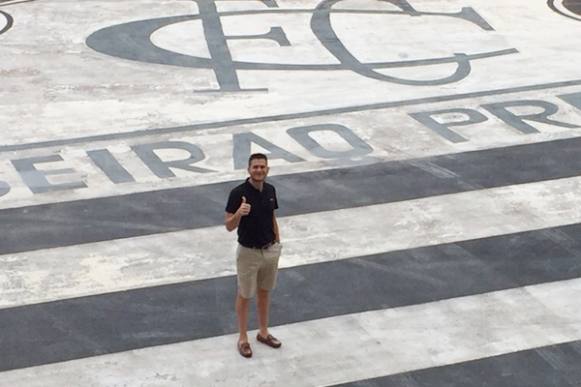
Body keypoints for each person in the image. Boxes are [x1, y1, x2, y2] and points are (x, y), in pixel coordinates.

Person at [225, 153, 283, 358]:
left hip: (270, 250)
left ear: (267, 169)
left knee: (265, 291)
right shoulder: (238, 193)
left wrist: (277, 241)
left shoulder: (270, 190)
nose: (259, 170)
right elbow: (228, 226)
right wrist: (239, 213)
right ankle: (242, 338)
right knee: (245, 294)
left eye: (262, 167)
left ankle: (263, 332)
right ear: (248, 169)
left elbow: (272, 216)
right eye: (255, 167)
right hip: (248, 253)